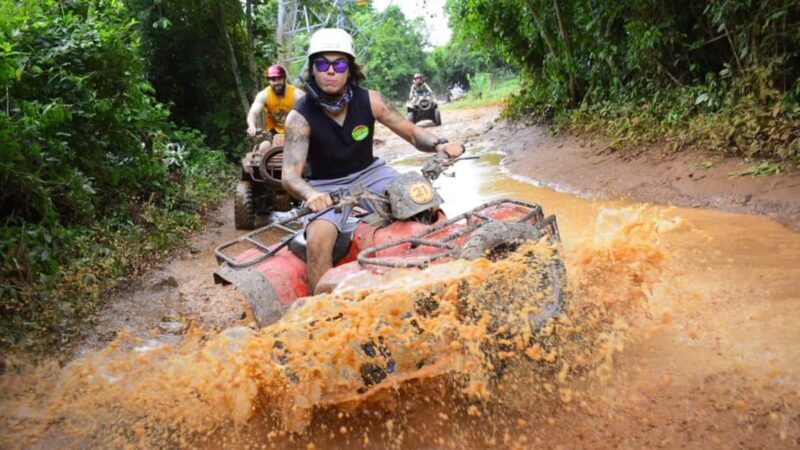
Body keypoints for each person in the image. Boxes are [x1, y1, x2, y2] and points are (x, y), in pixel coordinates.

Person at [282, 28, 465, 293]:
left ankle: (444, 267)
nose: (330, 71)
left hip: (371, 172)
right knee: (318, 241)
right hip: (324, 184)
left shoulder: (371, 100)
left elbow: (413, 133)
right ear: (312, 69)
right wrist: (311, 195)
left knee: (419, 199)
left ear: (350, 69)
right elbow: (290, 176)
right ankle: (326, 311)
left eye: (339, 63)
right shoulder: (299, 118)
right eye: (322, 63)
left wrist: (440, 144)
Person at [246, 64, 304, 152]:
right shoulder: (264, 95)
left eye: (279, 79)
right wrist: (252, 125)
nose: (276, 82)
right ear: (269, 81)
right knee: (263, 148)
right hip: (274, 132)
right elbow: (253, 112)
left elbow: (311, 112)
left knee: (305, 150)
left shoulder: (297, 94)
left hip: (295, 131)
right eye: (273, 79)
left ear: (284, 79)